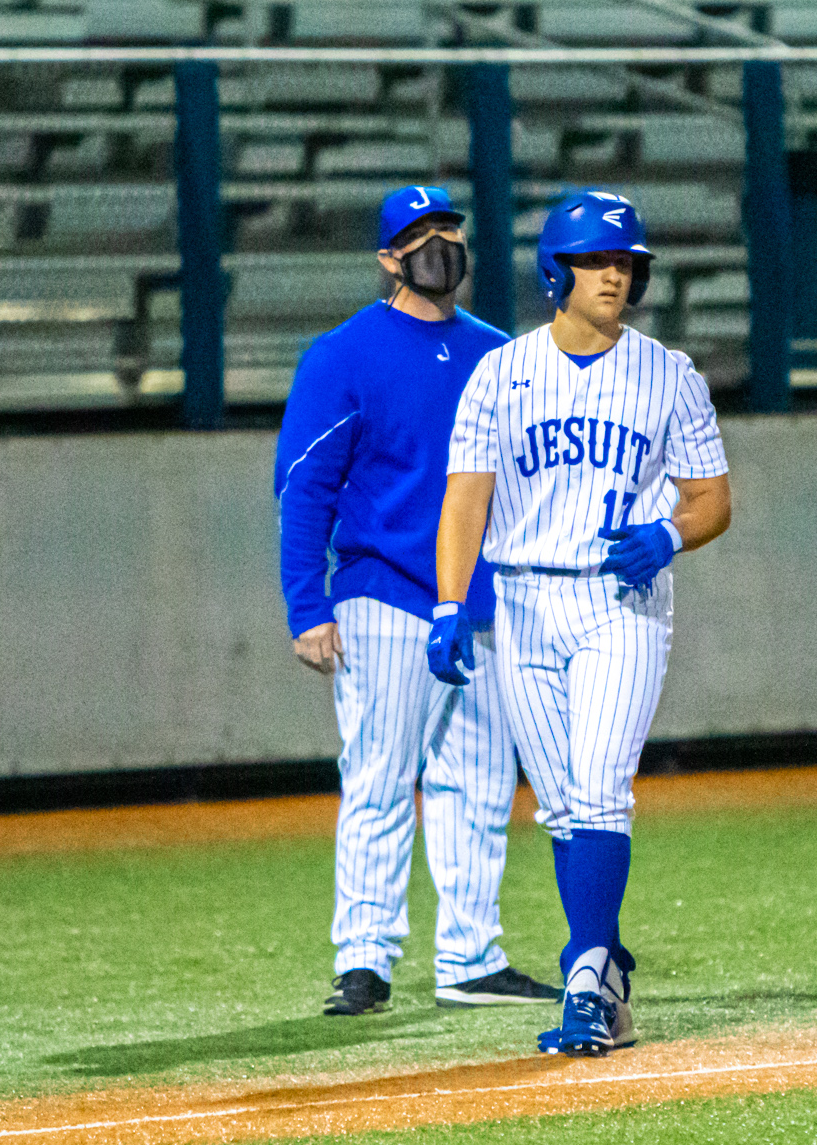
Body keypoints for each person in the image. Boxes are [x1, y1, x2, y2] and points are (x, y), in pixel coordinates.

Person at [426, 189, 732, 1056]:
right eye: (598, 261)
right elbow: (465, 502)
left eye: (627, 263)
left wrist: (667, 534)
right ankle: (604, 966)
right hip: (522, 602)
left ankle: (585, 984)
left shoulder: (668, 373)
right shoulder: (501, 372)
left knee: (599, 790)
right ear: (553, 271)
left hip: (618, 605)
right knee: (562, 809)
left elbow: (713, 499)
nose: (616, 275)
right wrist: (451, 603)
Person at [274, 185, 560, 1016]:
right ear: (387, 258)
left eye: (450, 230)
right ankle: (363, 961)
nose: (441, 244)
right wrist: (307, 605)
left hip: (479, 603)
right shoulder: (342, 355)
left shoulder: (500, 353)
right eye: (422, 233)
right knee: (380, 777)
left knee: (477, 785)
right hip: (383, 596)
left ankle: (470, 959)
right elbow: (304, 488)